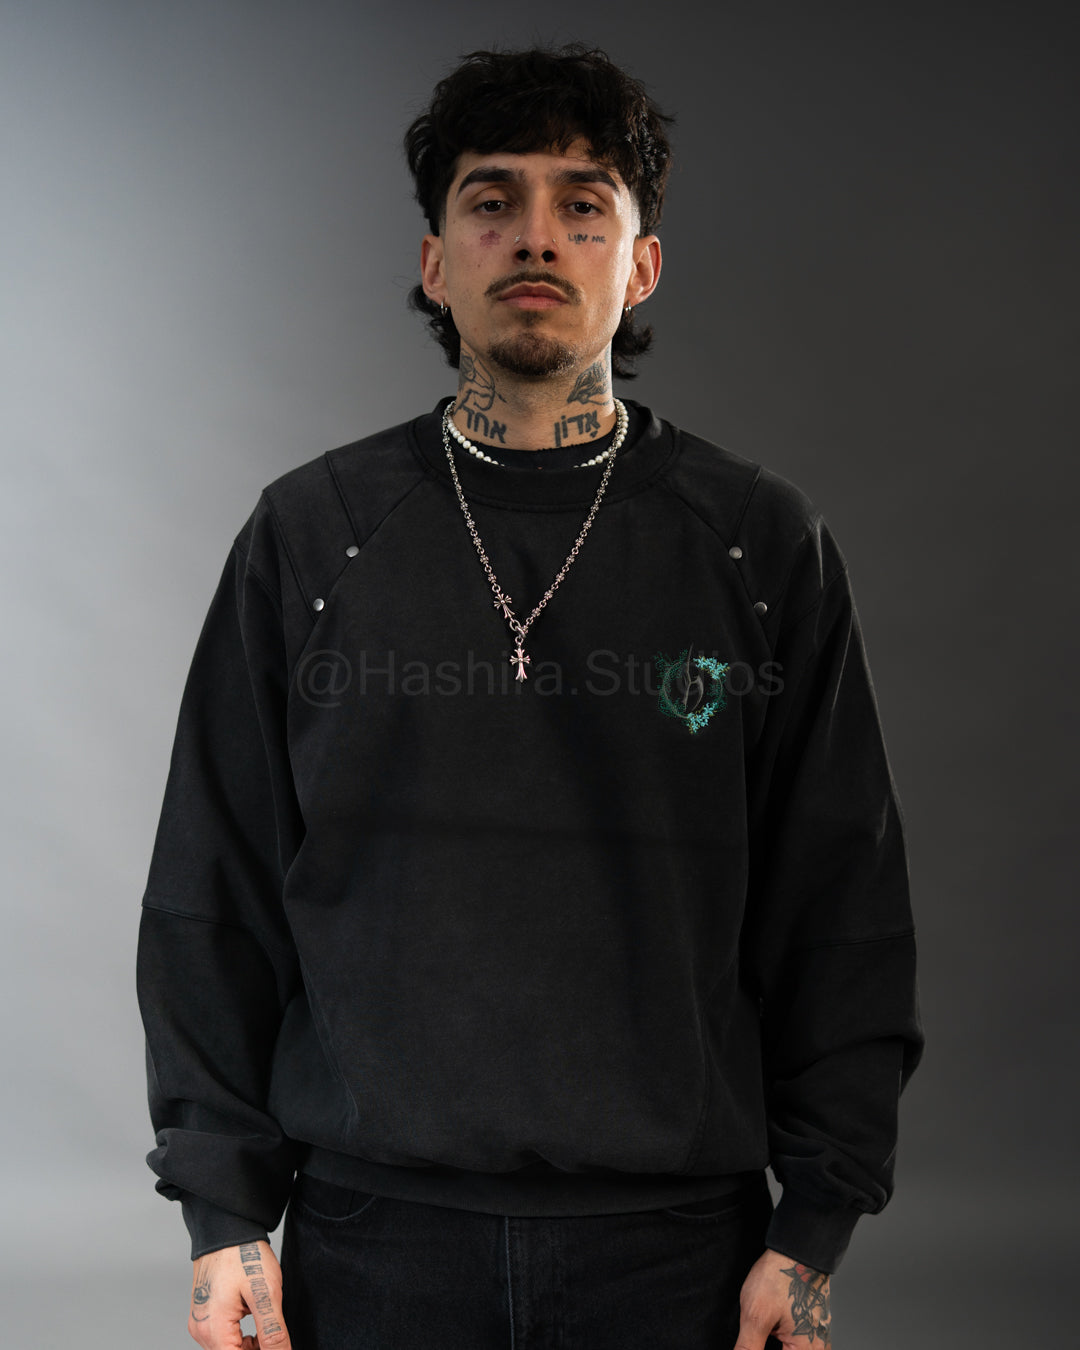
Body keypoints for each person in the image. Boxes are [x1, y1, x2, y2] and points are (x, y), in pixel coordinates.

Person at [137, 44, 922, 1350]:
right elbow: (209, 889)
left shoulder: (756, 541)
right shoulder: (312, 533)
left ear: (642, 263)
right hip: (372, 1238)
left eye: (584, 204)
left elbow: (841, 904)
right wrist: (223, 1213)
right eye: (492, 201)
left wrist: (816, 1228)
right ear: (436, 262)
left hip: (674, 1246)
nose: (537, 236)